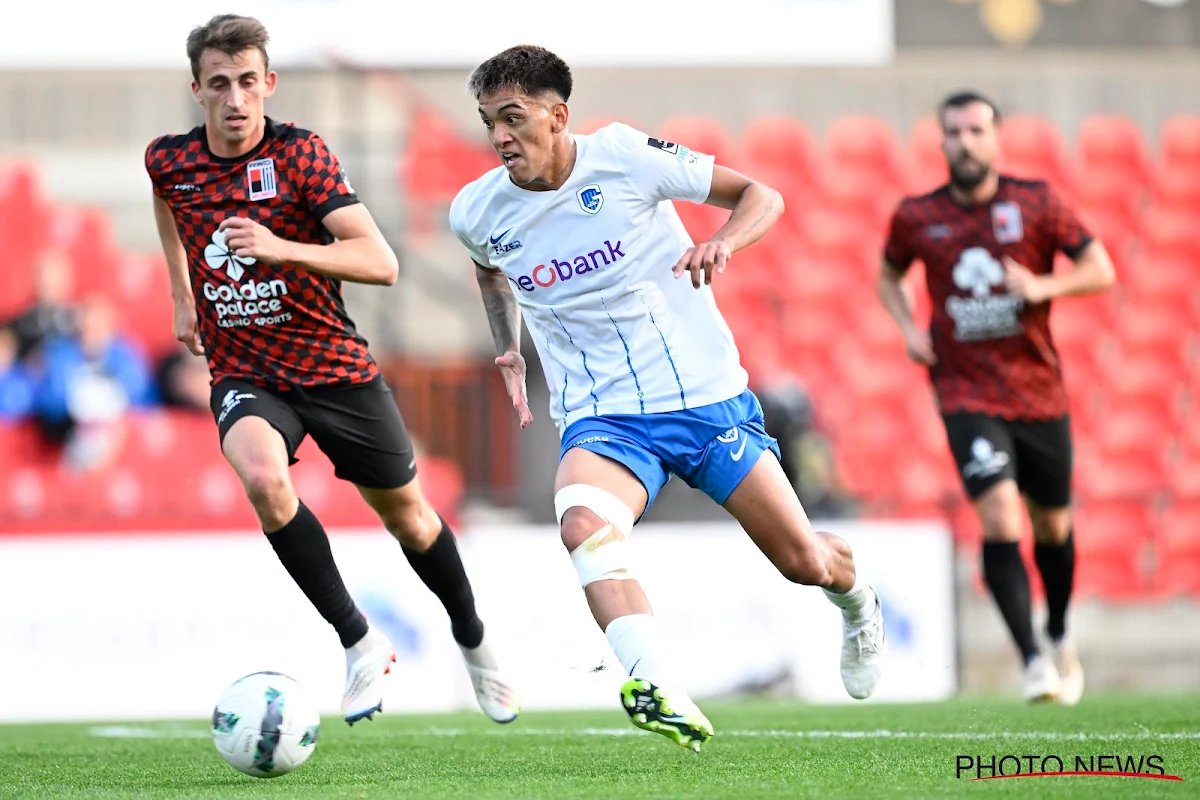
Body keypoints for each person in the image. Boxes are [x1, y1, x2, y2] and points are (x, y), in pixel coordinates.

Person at [450, 45, 885, 752]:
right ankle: (655, 682)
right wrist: (507, 341)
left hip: (703, 400)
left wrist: (724, 243)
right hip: (604, 417)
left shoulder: (623, 157)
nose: (499, 136)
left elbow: (760, 196)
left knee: (805, 562)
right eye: (487, 121)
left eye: (513, 117)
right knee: (583, 524)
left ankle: (859, 603)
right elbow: (489, 271)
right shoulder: (476, 209)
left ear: (558, 116)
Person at [145, 14, 518, 726]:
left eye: (247, 82)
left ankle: (473, 640)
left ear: (269, 84)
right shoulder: (168, 159)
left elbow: (381, 262)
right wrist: (180, 292)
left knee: (408, 518)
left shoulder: (300, 157)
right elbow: (167, 202)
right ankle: (358, 641)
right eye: (218, 83)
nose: (234, 98)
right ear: (197, 88)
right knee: (262, 477)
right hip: (246, 369)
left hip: (332, 367)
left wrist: (283, 248)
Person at [877, 91, 1115, 706]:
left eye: (976, 130)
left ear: (996, 137)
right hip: (965, 390)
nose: (965, 142)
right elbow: (887, 274)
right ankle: (1032, 661)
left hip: (1039, 392)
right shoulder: (915, 214)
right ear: (942, 142)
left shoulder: (1035, 201)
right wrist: (908, 328)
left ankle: (1059, 633)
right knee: (1001, 517)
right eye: (954, 132)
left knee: (1053, 527)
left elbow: (1101, 269)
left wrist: (1042, 284)